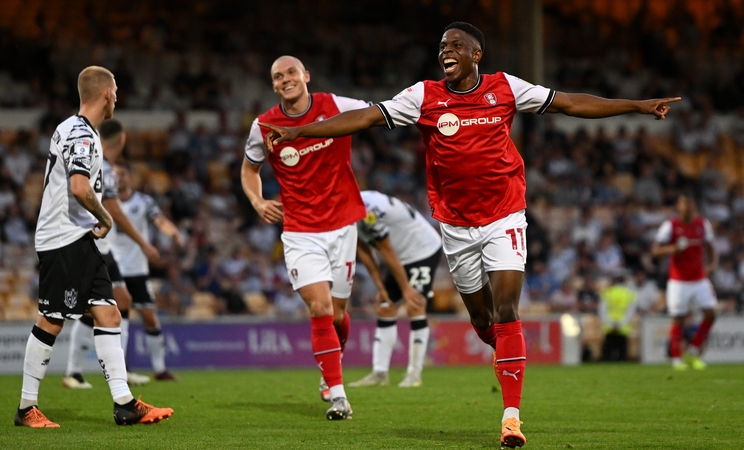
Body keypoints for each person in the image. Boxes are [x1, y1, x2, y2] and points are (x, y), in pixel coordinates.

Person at [258, 22, 679, 447]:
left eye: (457, 44)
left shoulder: (506, 88)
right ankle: (509, 357)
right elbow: (366, 117)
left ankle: (511, 418)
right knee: (482, 323)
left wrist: (638, 106)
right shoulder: (423, 96)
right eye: (442, 45)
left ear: (476, 54)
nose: (447, 50)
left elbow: (569, 103)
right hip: (456, 226)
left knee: (506, 310)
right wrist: (301, 130)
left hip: (505, 216)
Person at [16, 66, 173, 428]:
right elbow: (80, 188)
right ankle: (26, 408)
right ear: (105, 93)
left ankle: (125, 404)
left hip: (78, 239)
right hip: (64, 238)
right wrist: (105, 218)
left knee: (109, 313)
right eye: (115, 90)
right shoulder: (81, 134)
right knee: (52, 320)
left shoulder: (78, 131)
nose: (117, 96)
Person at [241, 55, 370, 420]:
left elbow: (376, 114)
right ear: (274, 85)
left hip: (344, 225)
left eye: (291, 73)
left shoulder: (337, 106)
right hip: (300, 231)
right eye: (278, 77)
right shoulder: (264, 125)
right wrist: (257, 199)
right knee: (320, 308)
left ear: (306, 76)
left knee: (339, 313)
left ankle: (334, 361)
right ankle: (338, 394)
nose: (285, 80)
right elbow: (249, 168)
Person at [63, 119, 157, 389]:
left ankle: (107, 370)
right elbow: (115, 210)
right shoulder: (105, 168)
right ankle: (75, 372)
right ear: (122, 140)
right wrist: (143, 243)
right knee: (88, 309)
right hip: (95, 246)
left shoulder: (86, 160)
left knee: (121, 301)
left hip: (97, 246)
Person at [348, 190, 442, 388]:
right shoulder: (348, 208)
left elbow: (386, 249)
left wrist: (406, 289)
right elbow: (362, 249)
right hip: (401, 255)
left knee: (414, 305)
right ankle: (380, 373)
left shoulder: (368, 211)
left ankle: (414, 375)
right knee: (385, 306)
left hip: (422, 250)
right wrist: (380, 286)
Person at [112, 160, 185, 380]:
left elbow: (159, 220)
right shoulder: (106, 202)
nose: (118, 178)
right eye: (115, 175)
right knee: (119, 317)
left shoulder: (143, 201)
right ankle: (120, 369)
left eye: (123, 174)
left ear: (130, 177)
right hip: (113, 267)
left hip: (137, 268)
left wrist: (173, 232)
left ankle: (159, 368)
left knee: (149, 317)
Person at [652, 193, 718, 370]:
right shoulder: (670, 226)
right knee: (678, 318)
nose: (687, 208)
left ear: (694, 207)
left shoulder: (703, 225)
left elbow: (711, 248)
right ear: (678, 207)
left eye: (690, 204)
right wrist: (672, 248)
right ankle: (677, 359)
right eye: (683, 204)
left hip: (699, 278)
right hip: (678, 280)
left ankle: (694, 351)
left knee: (711, 313)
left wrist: (711, 265)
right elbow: (655, 250)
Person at [598, 271, 637, 361]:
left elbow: (602, 310)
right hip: (623, 327)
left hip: (609, 327)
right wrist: (621, 323)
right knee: (622, 354)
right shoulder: (629, 294)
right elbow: (630, 311)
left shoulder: (607, 292)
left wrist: (611, 324)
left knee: (608, 354)